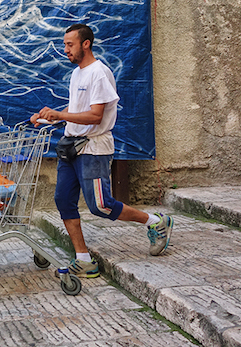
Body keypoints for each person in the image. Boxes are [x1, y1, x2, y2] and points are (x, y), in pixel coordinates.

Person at [30, 23, 173, 278]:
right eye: (65, 44)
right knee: (64, 201)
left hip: (94, 149)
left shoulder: (99, 73)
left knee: (101, 205)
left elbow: (96, 116)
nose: (65, 50)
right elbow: (78, 111)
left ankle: (156, 222)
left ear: (86, 44)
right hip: (70, 147)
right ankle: (83, 259)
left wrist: (60, 113)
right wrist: (50, 117)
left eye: (70, 44)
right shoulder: (77, 74)